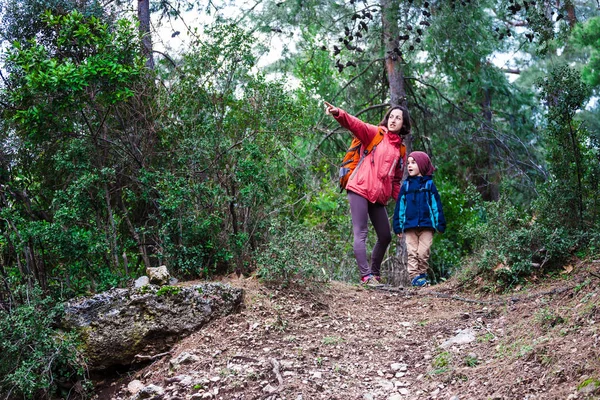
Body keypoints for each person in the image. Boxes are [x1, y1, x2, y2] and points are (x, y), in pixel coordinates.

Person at [325, 101, 409, 286]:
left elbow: (395, 181)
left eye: (398, 118)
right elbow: (356, 124)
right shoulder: (375, 133)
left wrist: (403, 203)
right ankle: (366, 277)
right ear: (387, 119)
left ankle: (375, 274)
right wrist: (338, 113)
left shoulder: (401, 149)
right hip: (360, 187)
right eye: (391, 117)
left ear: (404, 124)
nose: (394, 120)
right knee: (360, 232)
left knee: (385, 235)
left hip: (378, 196)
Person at [392, 151, 446, 287]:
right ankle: (415, 277)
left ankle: (422, 274)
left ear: (422, 165)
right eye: (408, 163)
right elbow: (400, 207)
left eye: (413, 162)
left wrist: (440, 224)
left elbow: (436, 206)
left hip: (427, 226)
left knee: (423, 252)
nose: (409, 165)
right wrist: (398, 225)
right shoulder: (406, 186)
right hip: (410, 226)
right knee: (411, 253)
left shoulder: (429, 185)